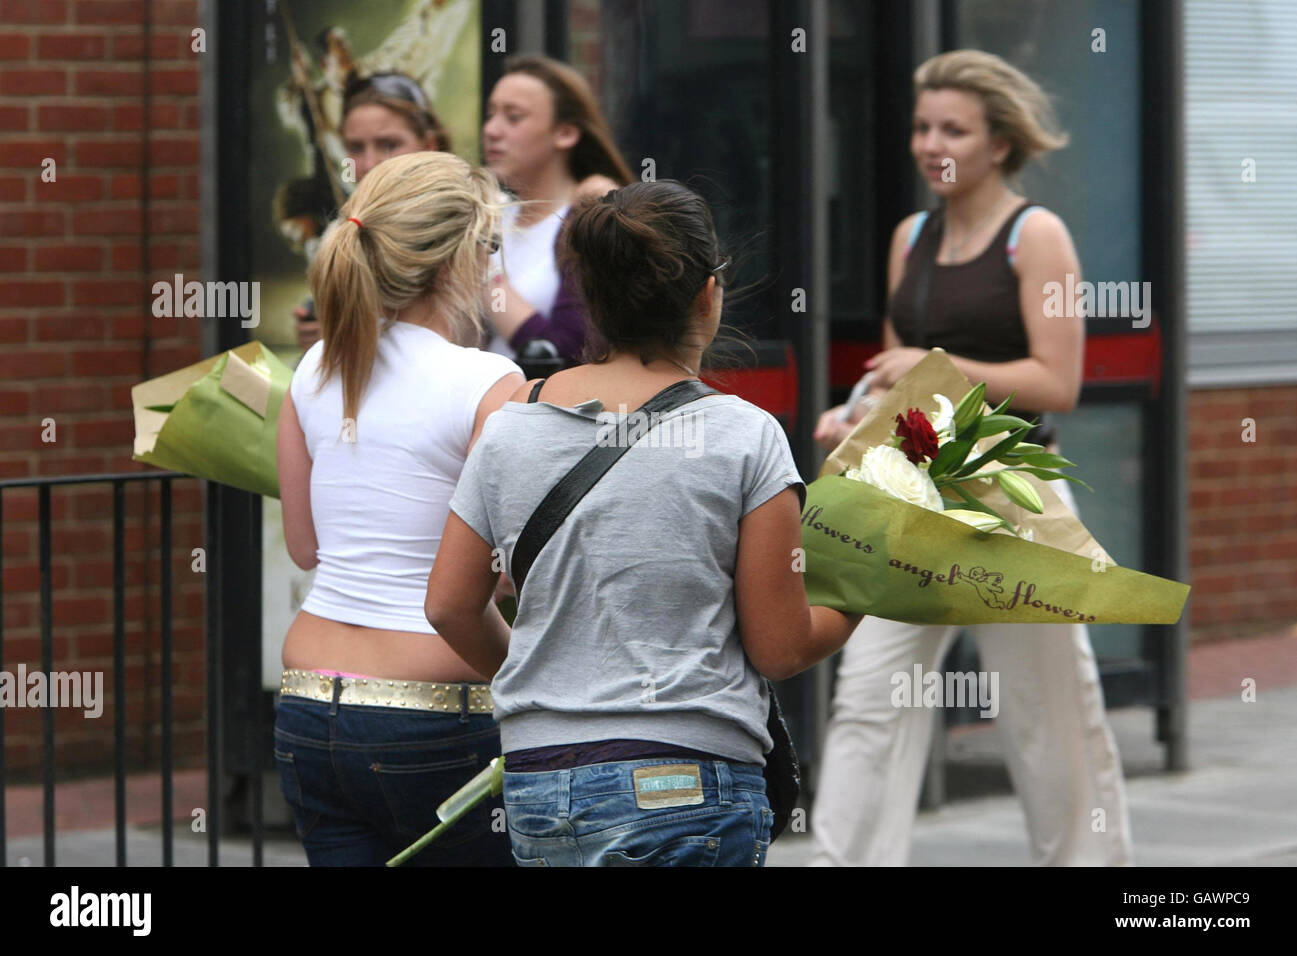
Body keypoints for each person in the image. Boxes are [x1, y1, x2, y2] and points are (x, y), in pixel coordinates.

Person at [424, 180, 862, 867]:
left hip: (540, 785)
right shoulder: (745, 437)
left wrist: (552, 681)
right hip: (685, 782)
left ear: (590, 299)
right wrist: (869, 594)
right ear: (708, 294)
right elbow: (780, 647)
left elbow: (449, 605)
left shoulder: (509, 429)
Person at [809, 49, 1134, 867]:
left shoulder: (1038, 236)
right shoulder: (909, 238)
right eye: (922, 127)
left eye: (953, 128)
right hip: (917, 496)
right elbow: (901, 382)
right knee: (869, 700)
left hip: (1014, 497)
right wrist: (855, 417)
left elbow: (1057, 381)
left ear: (1000, 143)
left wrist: (934, 362)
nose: (930, 142)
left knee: (1048, 715)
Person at [274, 151, 525, 866]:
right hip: (438, 712)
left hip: (308, 700)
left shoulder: (315, 369)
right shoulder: (489, 381)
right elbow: (498, 575)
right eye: (490, 246)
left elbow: (305, 547)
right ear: (457, 260)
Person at [480, 54, 634, 365]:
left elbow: (566, 349)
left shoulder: (588, 220)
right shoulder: (489, 217)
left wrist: (483, 274)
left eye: (513, 117)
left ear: (565, 133)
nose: (491, 130)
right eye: (491, 114)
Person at [293, 71, 453, 352]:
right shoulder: (343, 228)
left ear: (429, 145)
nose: (370, 164)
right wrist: (322, 335)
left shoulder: (470, 219)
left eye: (389, 145)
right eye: (356, 147)